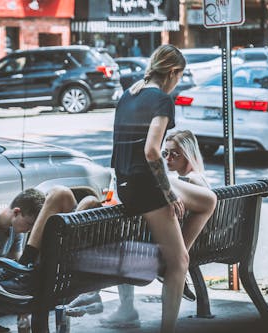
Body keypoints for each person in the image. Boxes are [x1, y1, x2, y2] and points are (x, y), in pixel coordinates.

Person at [109, 45, 216, 333]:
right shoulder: (162, 100)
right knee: (181, 260)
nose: (178, 82)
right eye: (179, 76)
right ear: (172, 72)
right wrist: (168, 193)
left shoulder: (128, 95)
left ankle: (173, 261)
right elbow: (152, 151)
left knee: (207, 200)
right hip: (147, 188)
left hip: (126, 184)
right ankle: (174, 270)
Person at [0, 186, 101, 333]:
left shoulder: (15, 229)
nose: (29, 230)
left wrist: (24, 315)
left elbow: (18, 268)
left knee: (17, 283)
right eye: (29, 224)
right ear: (16, 212)